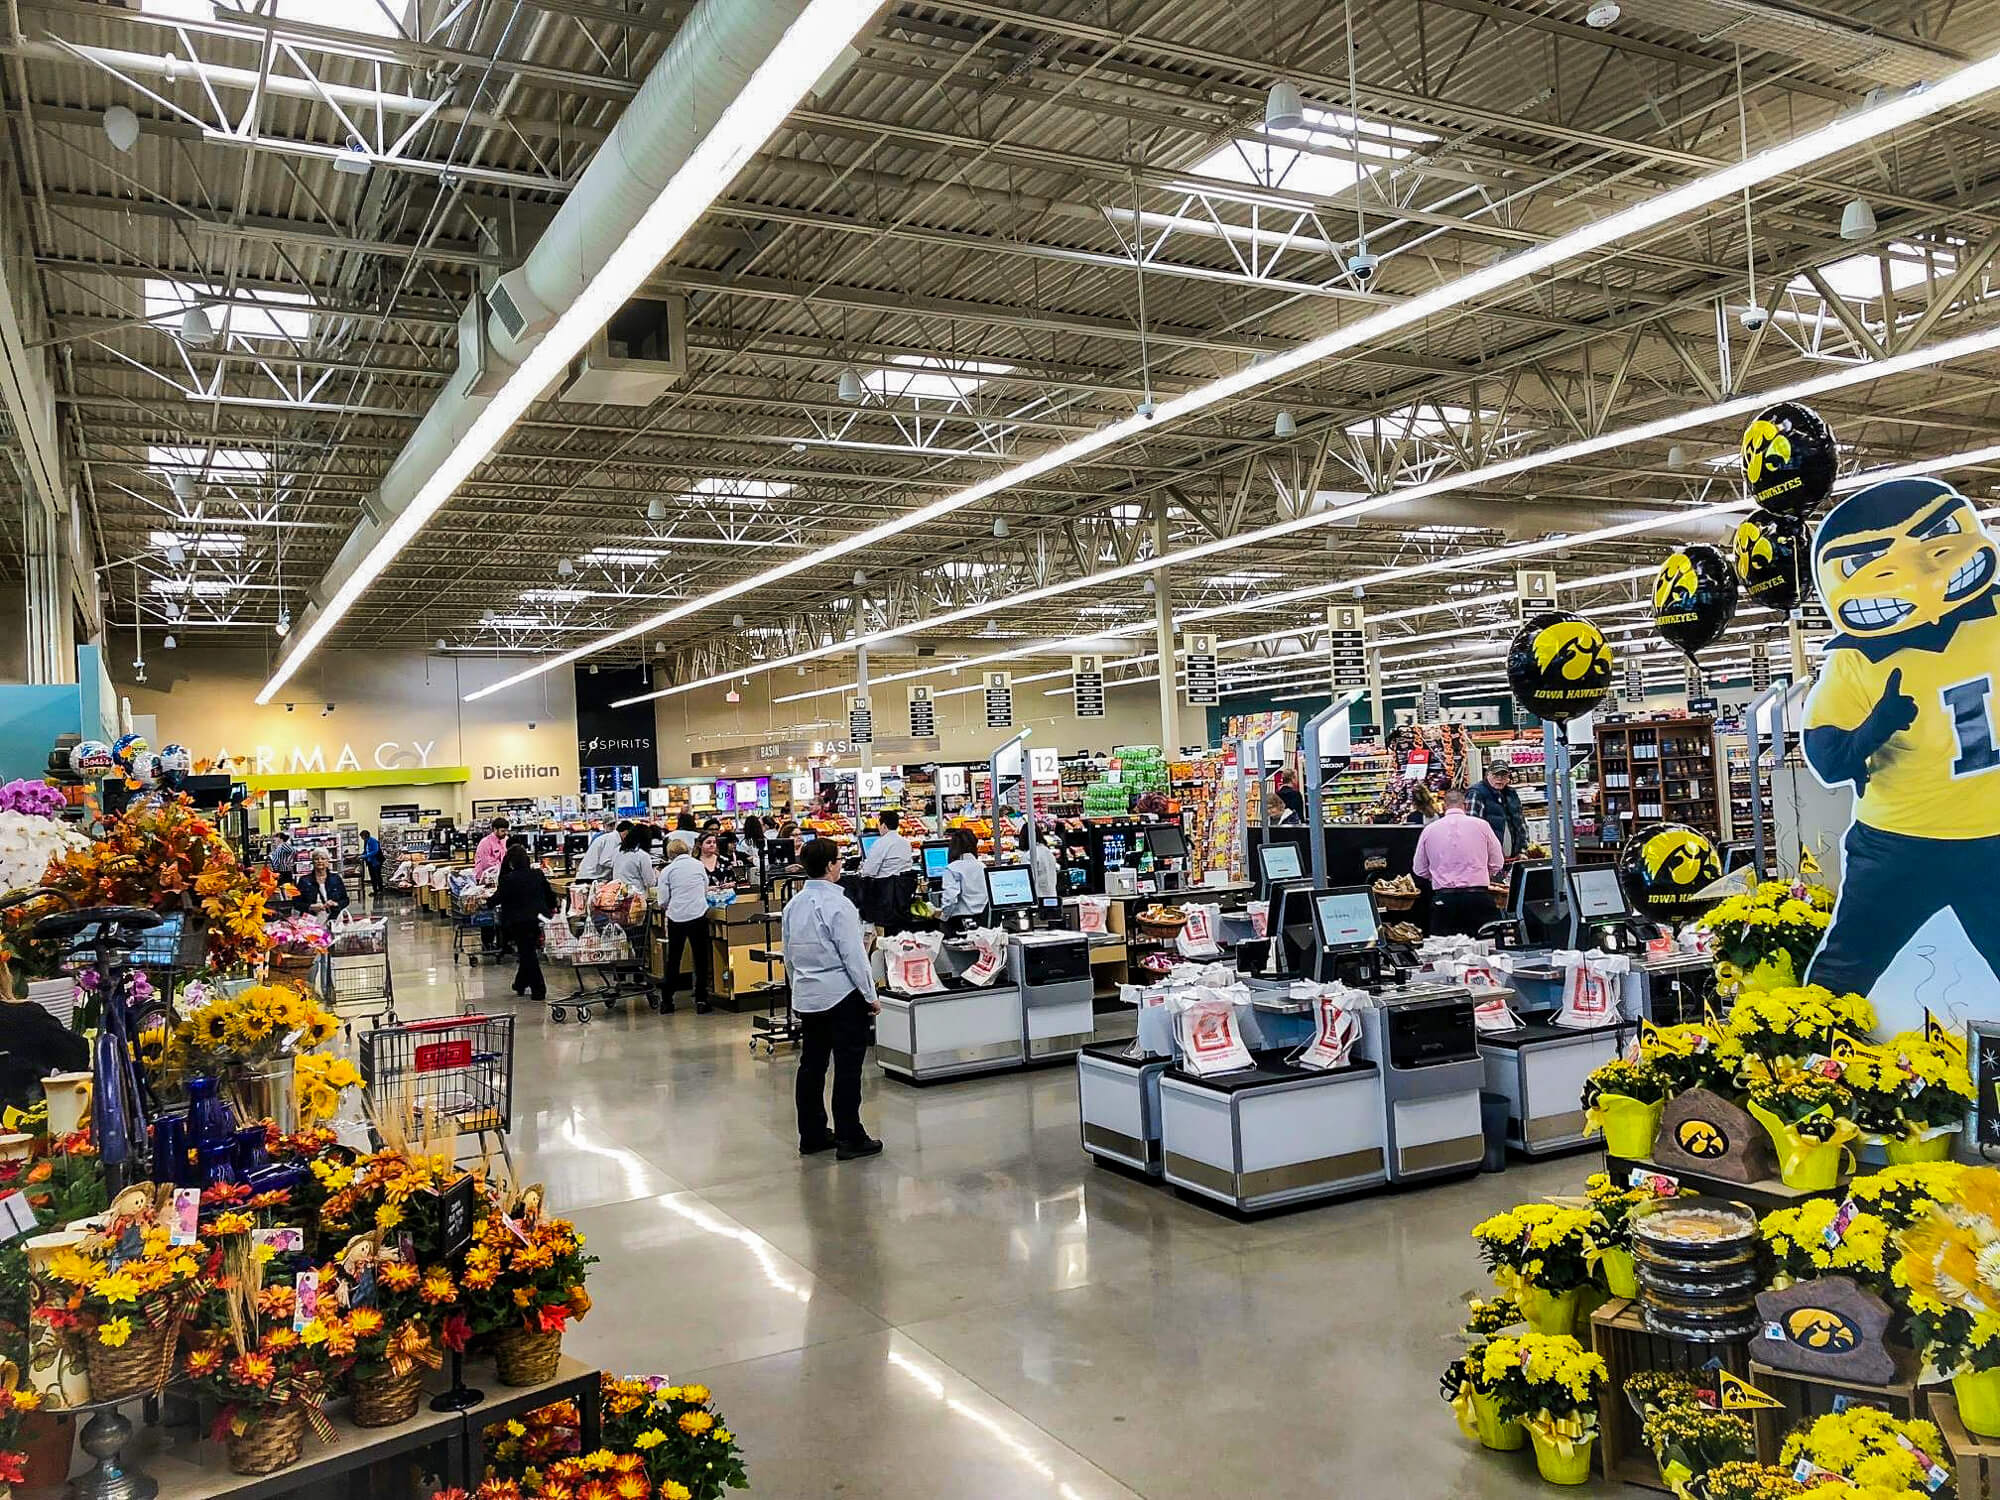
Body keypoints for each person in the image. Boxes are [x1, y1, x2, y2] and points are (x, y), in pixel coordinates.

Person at [784, 838, 881, 1160]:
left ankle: (811, 1134)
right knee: (848, 1068)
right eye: (839, 860)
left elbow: (788, 955)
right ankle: (850, 1136)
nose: (841, 865)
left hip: (808, 996)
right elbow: (854, 956)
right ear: (829, 866)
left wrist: (798, 988)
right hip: (842, 995)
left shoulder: (793, 906)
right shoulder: (840, 906)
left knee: (811, 1066)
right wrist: (870, 995)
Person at [1413, 788, 1505, 936]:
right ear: (1466, 805)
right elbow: (1497, 862)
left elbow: (1419, 869)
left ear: (1444, 806)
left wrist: (1437, 875)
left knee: (1444, 947)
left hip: (1444, 900)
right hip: (1478, 898)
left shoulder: (1429, 830)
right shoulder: (1482, 826)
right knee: (1487, 945)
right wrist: (1482, 872)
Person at [655, 837, 713, 1013]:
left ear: (670, 854)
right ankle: (701, 1000)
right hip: (698, 915)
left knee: (674, 959)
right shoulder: (698, 865)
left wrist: (671, 906)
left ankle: (667, 1001)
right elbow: (705, 888)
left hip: (677, 918)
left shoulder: (667, 871)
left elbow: (663, 900)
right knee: (701, 959)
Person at [494, 845, 557, 1002]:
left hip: (518, 921)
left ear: (511, 862)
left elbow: (498, 898)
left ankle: (539, 989)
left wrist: (484, 903)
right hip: (538, 918)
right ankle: (520, 983)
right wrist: (552, 908)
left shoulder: (508, 879)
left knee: (527, 953)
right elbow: (549, 895)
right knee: (527, 951)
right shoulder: (537, 874)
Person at [1468, 764, 1532, 857]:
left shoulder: (1511, 793)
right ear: (1487, 775)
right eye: (1496, 775)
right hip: (1488, 856)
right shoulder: (1476, 793)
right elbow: (1472, 827)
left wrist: (1524, 848)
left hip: (1514, 855)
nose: (1500, 779)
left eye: (1503, 776)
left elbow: (1520, 822)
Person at [939, 828, 988, 920]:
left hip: (960, 919)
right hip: (983, 917)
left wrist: (944, 916)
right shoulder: (982, 866)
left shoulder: (952, 868)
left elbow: (950, 898)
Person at [858, 808, 915, 877]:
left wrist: (862, 868)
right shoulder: (906, 843)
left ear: (884, 826)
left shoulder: (880, 843)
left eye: (879, 825)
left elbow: (868, 872)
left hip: (884, 882)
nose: (878, 828)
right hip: (904, 882)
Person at [293, 850, 349, 919]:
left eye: (323, 858)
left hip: (333, 918)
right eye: (316, 859)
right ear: (313, 862)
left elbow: (345, 900)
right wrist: (310, 907)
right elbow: (296, 903)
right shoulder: (304, 880)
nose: (320, 861)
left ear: (327, 861)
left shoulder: (336, 878)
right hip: (310, 919)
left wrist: (336, 904)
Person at [608, 824, 658, 893]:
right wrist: (656, 874)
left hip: (616, 892)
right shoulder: (642, 855)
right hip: (636, 894)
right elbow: (650, 883)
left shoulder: (617, 850)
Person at [1023, 823, 1061, 899]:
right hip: (1052, 895)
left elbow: (1027, 880)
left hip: (1037, 897)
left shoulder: (1029, 855)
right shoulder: (1048, 851)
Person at [362, 830, 384, 902]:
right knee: (372, 877)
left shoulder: (373, 841)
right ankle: (375, 890)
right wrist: (361, 855)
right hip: (370, 862)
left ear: (366, 836)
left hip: (376, 861)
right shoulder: (366, 842)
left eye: (362, 837)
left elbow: (375, 851)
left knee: (377, 876)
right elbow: (366, 850)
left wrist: (365, 856)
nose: (362, 838)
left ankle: (380, 890)